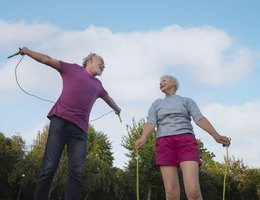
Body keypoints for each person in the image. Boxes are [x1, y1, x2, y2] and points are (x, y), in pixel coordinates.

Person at [19, 47, 121, 200]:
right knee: (49, 166)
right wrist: (27, 52)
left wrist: (117, 108)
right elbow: (47, 59)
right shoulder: (72, 69)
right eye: (102, 63)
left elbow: (108, 98)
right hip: (60, 122)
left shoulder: (98, 85)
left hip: (80, 131)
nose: (104, 66)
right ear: (91, 59)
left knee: (77, 172)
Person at [135, 75, 231, 200]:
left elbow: (199, 118)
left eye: (164, 80)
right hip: (164, 143)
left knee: (193, 191)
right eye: (159, 82)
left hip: (186, 141)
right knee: (171, 193)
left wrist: (216, 135)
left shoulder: (187, 101)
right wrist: (143, 137)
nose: (160, 83)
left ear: (173, 82)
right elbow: (151, 122)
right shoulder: (156, 104)